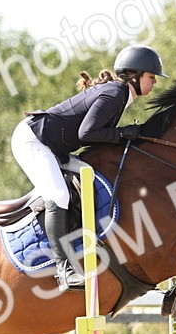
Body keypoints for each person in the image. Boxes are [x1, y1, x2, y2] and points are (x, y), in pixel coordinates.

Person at [11, 44, 167, 289]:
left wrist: (123, 134)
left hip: (52, 145)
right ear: (134, 76)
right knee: (59, 195)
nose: (155, 82)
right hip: (33, 141)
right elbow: (87, 133)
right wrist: (123, 133)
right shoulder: (115, 93)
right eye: (151, 76)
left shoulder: (120, 94)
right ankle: (64, 271)